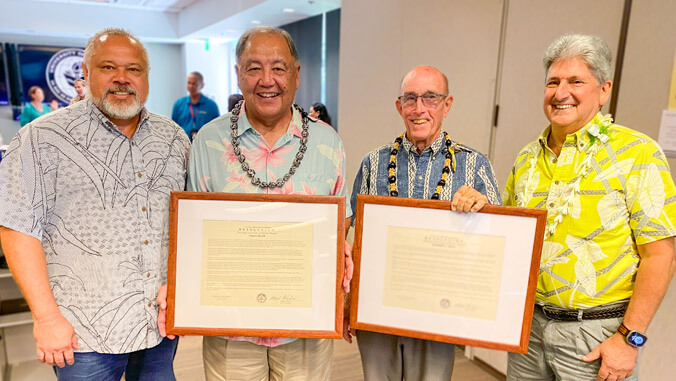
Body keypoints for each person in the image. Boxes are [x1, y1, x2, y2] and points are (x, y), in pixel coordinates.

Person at [156, 25, 352, 381]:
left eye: (278, 68)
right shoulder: (208, 142)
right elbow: (192, 230)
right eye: (254, 67)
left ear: (296, 74)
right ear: (237, 74)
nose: (267, 80)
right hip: (231, 326)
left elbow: (341, 220)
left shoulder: (329, 143)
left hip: (306, 324)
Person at [0, 27, 190, 380]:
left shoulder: (173, 138)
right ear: (85, 73)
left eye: (133, 69)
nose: (122, 79)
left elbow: (187, 223)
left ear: (146, 77)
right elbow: (16, 229)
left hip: (159, 324)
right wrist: (45, 318)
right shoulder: (40, 139)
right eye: (108, 67)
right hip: (82, 333)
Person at [504, 34, 676, 381]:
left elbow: (661, 255)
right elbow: (509, 235)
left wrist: (630, 339)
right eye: (553, 82)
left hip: (597, 336)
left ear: (603, 90)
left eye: (576, 81)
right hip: (530, 332)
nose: (560, 92)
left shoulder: (637, 153)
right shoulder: (527, 158)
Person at [349, 65, 501, 381]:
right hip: (378, 307)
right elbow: (353, 233)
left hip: (439, 310)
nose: (420, 109)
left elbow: (498, 240)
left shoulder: (474, 164)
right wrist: (348, 298)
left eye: (431, 98)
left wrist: (483, 208)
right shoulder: (372, 163)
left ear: (447, 105)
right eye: (411, 98)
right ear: (399, 106)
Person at [171, 71, 220, 141]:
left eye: (194, 84)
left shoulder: (211, 106)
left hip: (204, 145)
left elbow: (217, 129)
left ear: (202, 85)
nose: (191, 86)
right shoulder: (178, 104)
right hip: (183, 144)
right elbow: (173, 128)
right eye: (189, 83)